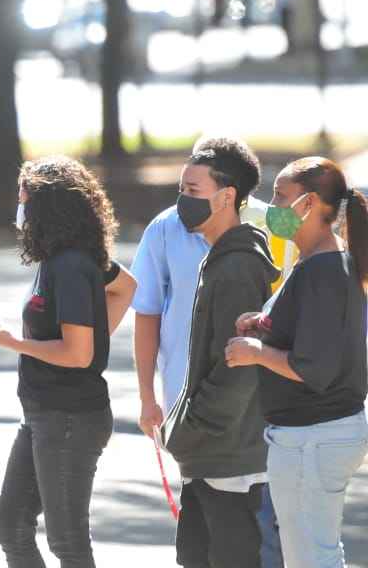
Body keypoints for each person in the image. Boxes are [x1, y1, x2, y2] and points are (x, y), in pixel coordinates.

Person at [130, 137, 286, 568]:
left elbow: (237, 369)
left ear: (227, 197)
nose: (183, 201)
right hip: (210, 457)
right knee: (195, 556)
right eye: (181, 190)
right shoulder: (220, 257)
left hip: (228, 458)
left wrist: (191, 426)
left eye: (193, 191)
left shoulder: (238, 266)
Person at [226, 157, 368, 568]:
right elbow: (316, 333)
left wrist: (255, 353)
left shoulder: (323, 269)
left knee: (310, 557)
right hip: (312, 435)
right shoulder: (319, 261)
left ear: (308, 205)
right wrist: (263, 322)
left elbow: (314, 368)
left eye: (281, 197)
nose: (272, 206)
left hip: (313, 436)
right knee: (313, 552)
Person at [0, 156, 123, 568]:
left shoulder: (71, 265)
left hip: (69, 417)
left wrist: (15, 343)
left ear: (47, 205)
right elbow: (125, 289)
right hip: (42, 414)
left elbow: (78, 354)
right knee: (10, 527)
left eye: (23, 196)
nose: (19, 205)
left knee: (67, 542)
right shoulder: (60, 257)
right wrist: (91, 337)